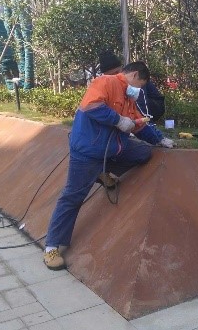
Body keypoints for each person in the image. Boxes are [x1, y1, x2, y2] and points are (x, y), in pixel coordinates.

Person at [43, 55, 173, 270]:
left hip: (113, 149)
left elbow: (138, 123)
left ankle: (101, 172)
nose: (139, 91)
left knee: (143, 153)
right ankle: (52, 247)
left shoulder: (129, 98)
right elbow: (92, 106)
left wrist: (159, 138)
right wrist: (118, 120)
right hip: (88, 151)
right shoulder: (105, 82)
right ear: (133, 75)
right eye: (140, 85)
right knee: (72, 196)